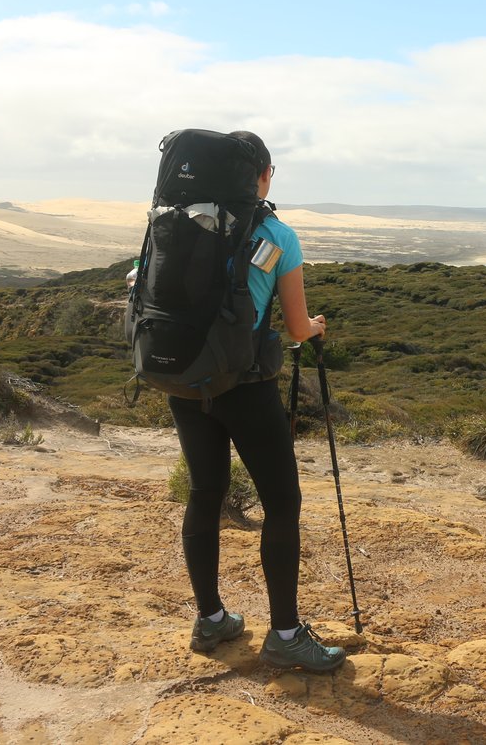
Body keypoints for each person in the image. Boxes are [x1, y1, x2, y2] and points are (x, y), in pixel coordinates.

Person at [168, 131, 346, 673]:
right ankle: (286, 635)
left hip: (184, 382)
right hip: (245, 388)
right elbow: (295, 327)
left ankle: (211, 619)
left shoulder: (173, 224)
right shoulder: (277, 235)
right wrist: (313, 327)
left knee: (205, 493)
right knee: (282, 504)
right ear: (262, 177)